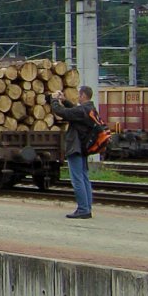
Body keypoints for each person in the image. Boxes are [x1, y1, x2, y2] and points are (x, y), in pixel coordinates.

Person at [50, 85, 96, 219]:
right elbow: (74, 111)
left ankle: (83, 209)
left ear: (83, 95)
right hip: (83, 148)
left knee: (77, 180)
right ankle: (87, 207)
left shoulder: (82, 110)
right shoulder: (91, 109)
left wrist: (54, 100)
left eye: (79, 95)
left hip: (75, 147)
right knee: (84, 178)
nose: (77, 97)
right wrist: (65, 101)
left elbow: (62, 112)